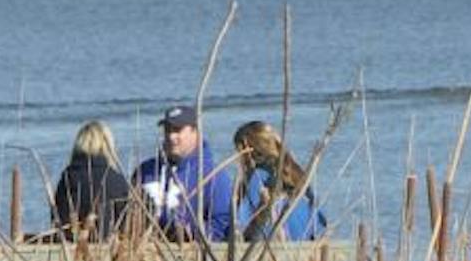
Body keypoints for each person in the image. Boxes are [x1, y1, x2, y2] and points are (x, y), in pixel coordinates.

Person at [132, 103, 234, 243]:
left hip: (191, 253)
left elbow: (221, 223)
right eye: (167, 130)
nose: (171, 136)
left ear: (195, 132)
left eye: (177, 130)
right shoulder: (145, 171)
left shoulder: (213, 175)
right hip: (147, 254)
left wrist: (183, 234)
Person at [233, 119, 328, 241]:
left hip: (273, 250)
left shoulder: (257, 178)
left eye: (238, 153)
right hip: (307, 248)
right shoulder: (297, 175)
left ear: (247, 151)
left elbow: (239, 227)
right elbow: (321, 224)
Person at [51, 120, 139, 237]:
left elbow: (57, 217)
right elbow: (129, 220)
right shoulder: (117, 180)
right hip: (108, 246)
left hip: (72, 246)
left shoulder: (68, 177)